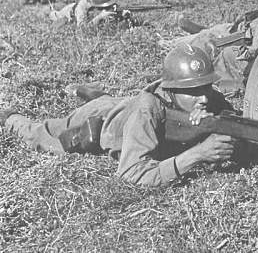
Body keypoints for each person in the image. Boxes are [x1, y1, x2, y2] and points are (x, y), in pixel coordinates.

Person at [0, 45, 241, 186]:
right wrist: (197, 154)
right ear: (172, 90)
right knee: (47, 137)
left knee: (111, 102)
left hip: (121, 106)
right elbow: (132, 173)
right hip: (98, 120)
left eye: (206, 87)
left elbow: (232, 118)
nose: (205, 98)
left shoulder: (205, 97)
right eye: (193, 92)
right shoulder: (146, 112)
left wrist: (214, 121)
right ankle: (11, 119)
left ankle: (95, 94)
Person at [49, 0, 138, 28]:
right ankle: (50, 11)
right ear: (99, 6)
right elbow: (82, 29)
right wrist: (99, 17)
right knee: (55, 15)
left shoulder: (107, 3)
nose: (111, 7)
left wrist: (123, 15)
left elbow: (116, 12)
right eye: (107, 7)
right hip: (68, 12)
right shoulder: (82, 8)